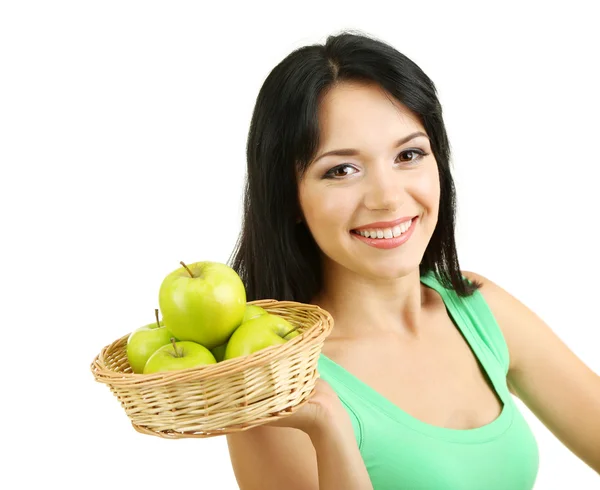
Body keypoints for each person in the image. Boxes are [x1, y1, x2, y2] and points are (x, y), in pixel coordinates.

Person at [224, 30, 600, 489]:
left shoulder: (478, 309)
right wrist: (331, 432)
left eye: (409, 154)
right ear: (288, 197)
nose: (388, 197)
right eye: (341, 170)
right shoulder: (274, 380)